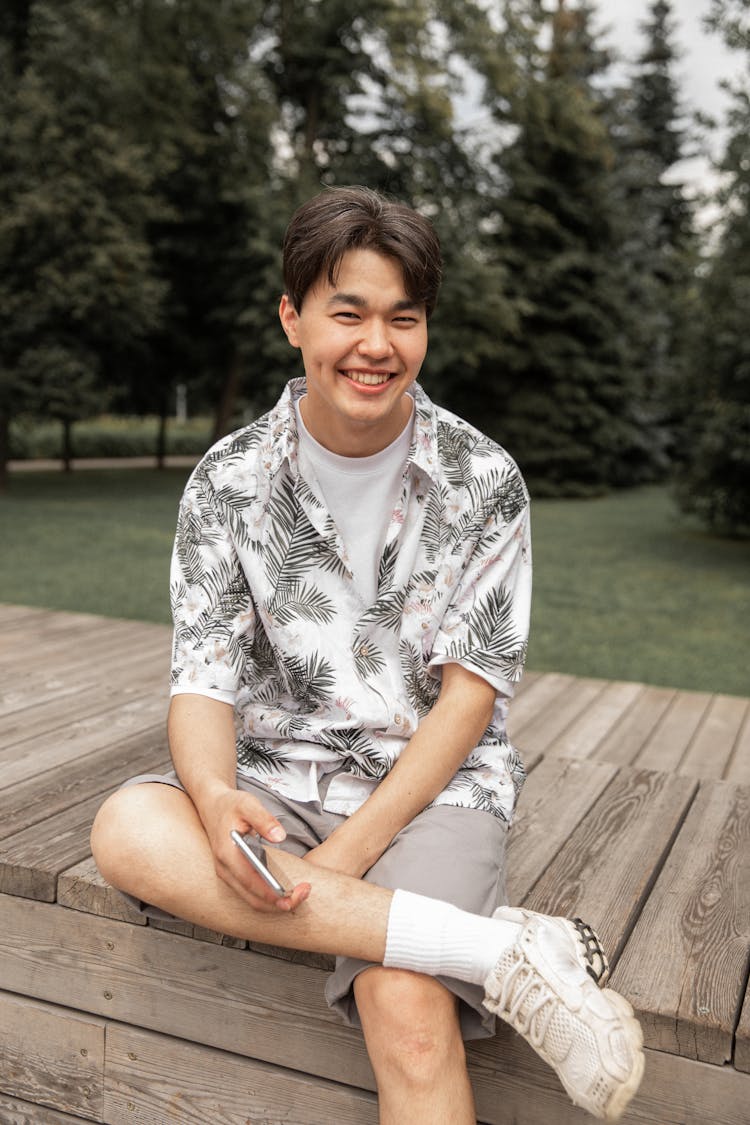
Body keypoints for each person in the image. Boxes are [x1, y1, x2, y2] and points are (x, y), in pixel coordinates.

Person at [91, 186, 643, 1123]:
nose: (375, 345)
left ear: (426, 328)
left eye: (404, 317)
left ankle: (449, 952)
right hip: (274, 782)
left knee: (406, 1008)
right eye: (347, 312)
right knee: (123, 828)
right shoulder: (226, 481)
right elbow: (202, 683)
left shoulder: (484, 480)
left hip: (431, 788)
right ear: (292, 317)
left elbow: (469, 701)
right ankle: (500, 955)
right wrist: (218, 797)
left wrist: (349, 851)